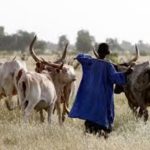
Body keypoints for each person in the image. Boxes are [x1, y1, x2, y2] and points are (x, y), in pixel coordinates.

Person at [69, 43, 132, 138]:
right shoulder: (108, 66)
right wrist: (125, 73)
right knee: (102, 119)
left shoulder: (90, 62)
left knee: (90, 119)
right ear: (107, 53)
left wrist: (89, 57)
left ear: (98, 52)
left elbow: (80, 57)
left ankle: (89, 137)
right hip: (102, 97)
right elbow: (115, 78)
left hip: (91, 96)